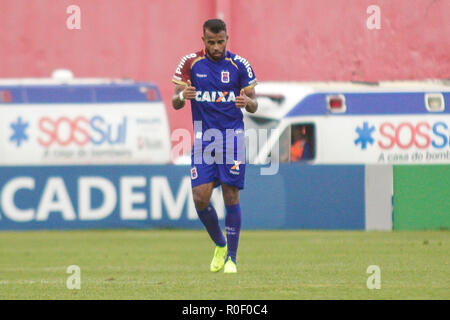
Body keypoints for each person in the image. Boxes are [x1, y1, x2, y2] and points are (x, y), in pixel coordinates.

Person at [171, 19, 258, 274]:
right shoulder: (191, 63)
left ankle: (232, 258)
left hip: (232, 139)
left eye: (221, 42)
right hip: (203, 140)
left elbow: (254, 103)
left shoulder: (239, 65)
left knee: (231, 194)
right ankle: (219, 244)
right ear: (203, 40)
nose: (217, 47)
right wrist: (181, 96)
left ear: (227, 39)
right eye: (211, 42)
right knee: (200, 197)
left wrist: (247, 103)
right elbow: (175, 101)